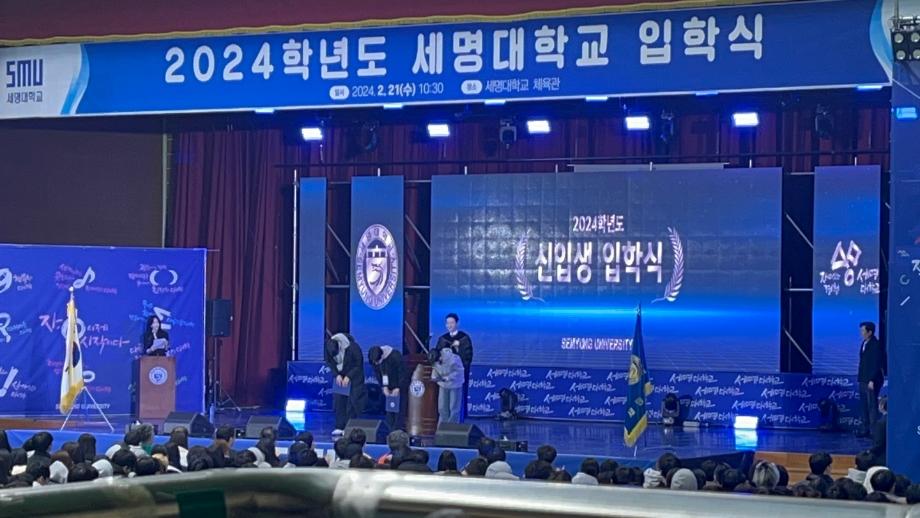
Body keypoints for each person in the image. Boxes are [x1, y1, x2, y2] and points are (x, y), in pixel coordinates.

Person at [324, 333, 367, 435]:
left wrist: (348, 376)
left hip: (354, 377)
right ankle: (339, 426)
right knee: (339, 401)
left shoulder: (353, 347)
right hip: (340, 377)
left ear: (339, 346)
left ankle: (349, 427)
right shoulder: (328, 347)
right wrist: (336, 375)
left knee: (352, 403)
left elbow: (358, 364)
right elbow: (329, 362)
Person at [436, 314, 473, 419]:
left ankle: (458, 422)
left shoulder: (464, 339)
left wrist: (458, 348)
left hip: (457, 378)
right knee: (443, 405)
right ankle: (443, 425)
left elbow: (468, 357)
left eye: (452, 323)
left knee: (455, 405)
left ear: (457, 323)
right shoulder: (443, 339)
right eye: (447, 323)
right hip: (445, 377)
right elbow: (438, 356)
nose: (449, 325)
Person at [368, 345, 407, 432]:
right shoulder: (374, 360)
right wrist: (384, 386)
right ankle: (390, 431)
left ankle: (397, 432)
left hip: (399, 388)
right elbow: (379, 374)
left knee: (399, 412)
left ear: (382, 356)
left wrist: (398, 387)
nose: (376, 364)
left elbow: (402, 373)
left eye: (377, 362)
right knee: (389, 412)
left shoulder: (395, 356)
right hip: (388, 389)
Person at [857, 321, 885, 437]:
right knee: (864, 405)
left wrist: (872, 380)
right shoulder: (865, 343)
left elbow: (876, 364)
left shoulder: (875, 345)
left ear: (870, 332)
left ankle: (874, 432)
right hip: (863, 378)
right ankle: (865, 429)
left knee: (871, 406)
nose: (861, 333)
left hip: (871, 380)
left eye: (863, 331)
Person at [432, 347, 464, 424]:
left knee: (454, 408)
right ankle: (442, 428)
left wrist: (448, 377)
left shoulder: (454, 359)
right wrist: (434, 377)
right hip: (443, 385)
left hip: (455, 385)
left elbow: (459, 371)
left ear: (440, 357)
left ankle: (452, 428)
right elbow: (435, 369)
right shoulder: (435, 361)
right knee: (442, 408)